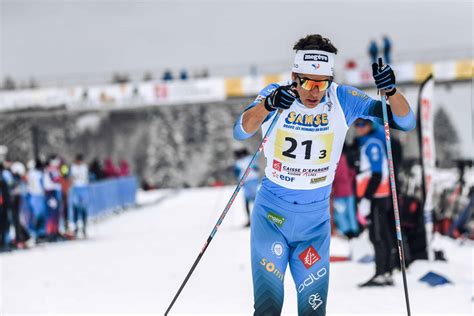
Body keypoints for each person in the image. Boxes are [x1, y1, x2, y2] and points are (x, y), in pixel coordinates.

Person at [233, 34, 415, 315]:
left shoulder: (343, 98)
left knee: (313, 311)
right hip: (271, 218)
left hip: (314, 225)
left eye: (321, 84)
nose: (314, 92)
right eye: (306, 82)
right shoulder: (276, 93)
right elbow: (241, 128)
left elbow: (405, 121)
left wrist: (391, 91)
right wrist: (268, 105)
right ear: (294, 75)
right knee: (268, 307)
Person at [354, 119, 398, 287]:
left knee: (377, 236)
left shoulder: (372, 144)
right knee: (382, 235)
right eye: (357, 125)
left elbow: (377, 174)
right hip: (377, 197)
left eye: (362, 125)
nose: (359, 128)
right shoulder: (367, 142)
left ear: (370, 126)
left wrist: (366, 198)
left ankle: (382, 273)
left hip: (376, 198)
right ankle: (385, 271)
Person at [332, 146, 358, 238]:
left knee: (340, 212)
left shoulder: (336, 159)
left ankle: (346, 230)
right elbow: (351, 173)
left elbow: (337, 176)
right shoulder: (346, 158)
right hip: (349, 190)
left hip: (339, 192)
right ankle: (354, 229)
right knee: (350, 211)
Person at [233, 148, 260, 227]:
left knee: (248, 202)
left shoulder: (238, 162)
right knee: (255, 201)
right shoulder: (251, 158)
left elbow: (236, 173)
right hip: (253, 180)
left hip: (246, 182)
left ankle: (250, 220)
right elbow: (256, 168)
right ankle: (257, 219)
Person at [70, 154, 89, 237]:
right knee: (76, 209)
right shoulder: (73, 167)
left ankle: (84, 227)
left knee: (84, 209)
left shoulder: (84, 167)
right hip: (76, 189)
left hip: (83, 189)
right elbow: (71, 177)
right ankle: (76, 228)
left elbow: (86, 178)